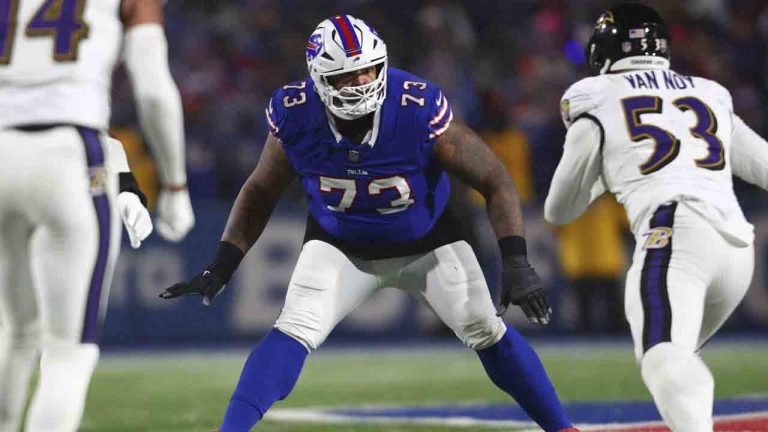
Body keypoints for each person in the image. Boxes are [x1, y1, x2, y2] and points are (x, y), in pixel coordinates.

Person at [161, 14, 576, 432]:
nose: (361, 82)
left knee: (486, 329)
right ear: (321, 79)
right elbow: (259, 191)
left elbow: (495, 178)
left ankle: (563, 428)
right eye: (346, 75)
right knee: (292, 330)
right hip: (340, 247)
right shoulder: (295, 113)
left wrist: (516, 261)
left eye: (368, 69)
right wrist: (223, 262)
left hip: (429, 244)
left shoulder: (416, 107)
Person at [544, 3, 767, 430]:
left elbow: (559, 208)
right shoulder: (708, 93)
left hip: (676, 234)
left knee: (663, 356)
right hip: (737, 248)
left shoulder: (595, 96)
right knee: (676, 356)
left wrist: (603, 178)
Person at [0, 0, 194, 430]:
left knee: (13, 332)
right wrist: (175, 185)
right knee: (69, 349)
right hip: (66, 155)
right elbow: (153, 90)